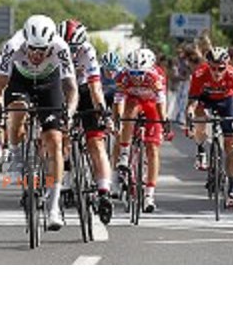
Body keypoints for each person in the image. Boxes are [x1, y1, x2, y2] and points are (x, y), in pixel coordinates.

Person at [0, 14, 78, 231]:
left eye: (43, 50)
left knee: (55, 141)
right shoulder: (13, 46)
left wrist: (70, 111)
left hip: (50, 84)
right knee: (16, 112)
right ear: (25, 43)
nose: (37, 55)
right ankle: (16, 154)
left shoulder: (61, 47)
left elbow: (71, 88)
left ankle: (53, 206)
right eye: (33, 49)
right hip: (20, 81)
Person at [58, 20, 114, 224]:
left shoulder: (88, 51)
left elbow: (95, 88)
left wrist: (103, 112)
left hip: (84, 90)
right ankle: (64, 181)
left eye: (74, 49)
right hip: (62, 90)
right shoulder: (54, 48)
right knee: (60, 134)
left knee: (96, 142)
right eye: (67, 48)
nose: (71, 53)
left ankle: (104, 191)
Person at [185, 47, 233, 209]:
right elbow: (192, 103)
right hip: (205, 100)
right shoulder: (199, 74)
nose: (217, 72)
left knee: (232, 145)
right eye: (213, 68)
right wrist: (190, 117)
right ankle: (201, 150)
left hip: (227, 102)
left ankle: (231, 192)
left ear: (227, 66)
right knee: (199, 116)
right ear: (208, 65)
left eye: (221, 69)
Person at [114, 48, 170, 212]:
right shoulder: (123, 76)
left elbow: (161, 102)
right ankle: (125, 154)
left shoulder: (155, 76)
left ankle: (149, 195)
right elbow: (119, 101)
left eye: (140, 73)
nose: (137, 77)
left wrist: (164, 120)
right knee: (128, 111)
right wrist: (118, 120)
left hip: (152, 105)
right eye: (134, 73)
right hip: (133, 102)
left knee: (152, 149)